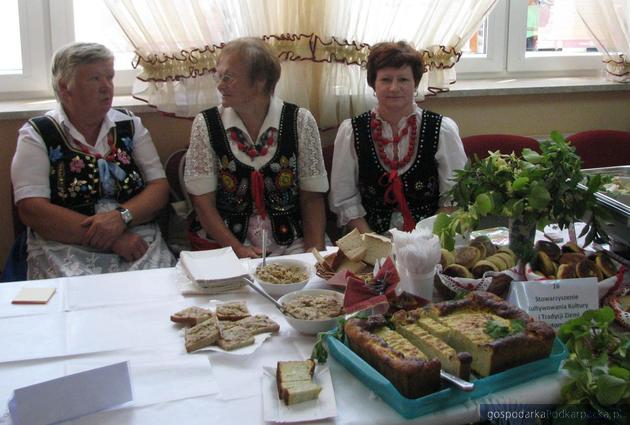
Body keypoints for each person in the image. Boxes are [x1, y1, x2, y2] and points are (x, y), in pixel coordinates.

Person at [11, 42, 175, 279]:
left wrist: (122, 217)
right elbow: (32, 209)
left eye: (110, 77)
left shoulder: (129, 125)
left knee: (157, 297)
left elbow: (159, 187)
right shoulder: (38, 134)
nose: (106, 88)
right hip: (67, 243)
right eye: (95, 79)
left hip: (136, 237)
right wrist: (113, 239)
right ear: (65, 88)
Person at [184, 38, 328, 258]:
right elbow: (203, 203)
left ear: (260, 80)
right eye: (218, 75)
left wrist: (314, 255)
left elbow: (312, 197)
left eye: (228, 77)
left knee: (308, 289)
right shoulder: (206, 124)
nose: (220, 85)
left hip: (293, 240)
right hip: (226, 243)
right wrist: (237, 249)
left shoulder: (300, 121)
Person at [329, 41, 466, 235]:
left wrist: (424, 242)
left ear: (415, 84)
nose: (394, 88)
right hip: (368, 239)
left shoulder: (443, 130)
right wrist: (375, 245)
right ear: (373, 84)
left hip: (430, 239)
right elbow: (344, 200)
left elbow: (454, 198)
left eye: (403, 79)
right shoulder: (351, 131)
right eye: (385, 80)